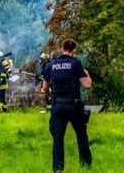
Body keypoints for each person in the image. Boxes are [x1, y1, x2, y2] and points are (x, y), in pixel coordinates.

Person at [42, 39, 92, 172]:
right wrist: (85, 72)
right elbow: (87, 85)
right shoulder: (76, 64)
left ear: (62, 48)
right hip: (74, 106)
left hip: (57, 106)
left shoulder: (52, 65)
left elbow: (45, 88)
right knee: (81, 136)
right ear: (74, 50)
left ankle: (58, 168)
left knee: (58, 139)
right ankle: (86, 165)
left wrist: (51, 96)